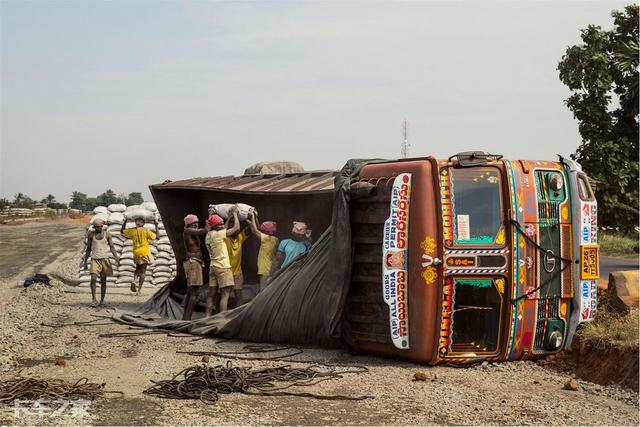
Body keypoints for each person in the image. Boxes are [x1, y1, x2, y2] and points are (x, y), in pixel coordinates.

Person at [205, 209, 240, 315]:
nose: (222, 226)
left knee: (211, 295)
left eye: (222, 223)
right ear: (214, 226)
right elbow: (236, 228)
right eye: (219, 224)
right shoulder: (219, 235)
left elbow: (221, 228)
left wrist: (228, 218)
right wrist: (234, 214)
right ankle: (221, 319)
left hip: (213, 267)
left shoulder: (209, 234)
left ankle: (206, 318)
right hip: (223, 267)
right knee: (225, 294)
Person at [82, 218, 119, 307]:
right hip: (95, 259)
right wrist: (85, 261)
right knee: (93, 278)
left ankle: (102, 300)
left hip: (104, 260)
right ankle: (94, 299)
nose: (97, 229)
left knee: (103, 280)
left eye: (99, 227)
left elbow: (112, 247)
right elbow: (88, 249)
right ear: (93, 227)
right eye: (95, 227)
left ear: (102, 226)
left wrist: (116, 257)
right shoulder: (91, 235)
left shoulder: (108, 235)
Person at [121, 215, 158, 295]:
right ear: (143, 223)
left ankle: (134, 280)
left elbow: (122, 231)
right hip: (144, 252)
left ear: (136, 223)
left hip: (136, 253)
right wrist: (156, 225)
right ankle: (139, 290)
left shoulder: (132, 231)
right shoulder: (146, 230)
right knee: (143, 272)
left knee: (137, 268)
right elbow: (157, 236)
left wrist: (125, 221)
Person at [181, 214, 209, 320]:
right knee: (194, 293)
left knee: (190, 291)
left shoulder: (190, 232)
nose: (196, 225)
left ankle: (185, 318)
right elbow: (204, 231)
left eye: (196, 223)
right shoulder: (188, 231)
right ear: (188, 224)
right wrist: (209, 219)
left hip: (194, 263)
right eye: (193, 223)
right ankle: (187, 319)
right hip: (193, 263)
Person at [247, 210, 278, 291]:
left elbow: (254, 230)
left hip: (266, 267)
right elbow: (259, 229)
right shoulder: (274, 239)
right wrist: (255, 218)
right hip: (271, 266)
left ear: (266, 231)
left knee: (263, 289)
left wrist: (253, 217)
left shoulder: (266, 238)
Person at [224, 213, 249, 305]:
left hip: (237, 273)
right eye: (231, 224)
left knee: (238, 295)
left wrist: (250, 217)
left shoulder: (240, 237)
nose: (234, 226)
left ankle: (239, 315)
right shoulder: (224, 237)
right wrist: (231, 216)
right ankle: (219, 315)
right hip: (225, 271)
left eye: (234, 224)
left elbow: (252, 228)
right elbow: (224, 229)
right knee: (222, 296)